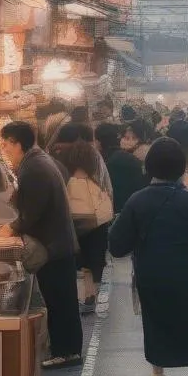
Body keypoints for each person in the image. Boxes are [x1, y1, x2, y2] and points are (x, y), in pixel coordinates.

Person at [108, 138, 188, 376]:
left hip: (150, 273)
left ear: (149, 167)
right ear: (181, 168)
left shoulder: (137, 201)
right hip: (186, 274)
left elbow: (117, 244)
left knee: (155, 321)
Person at [0, 122, 83, 368]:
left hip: (53, 247)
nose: (4, 149)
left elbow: (31, 212)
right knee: (62, 301)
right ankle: (68, 350)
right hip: (57, 244)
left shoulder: (34, 167)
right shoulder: (36, 161)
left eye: (6, 144)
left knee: (60, 302)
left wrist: (10, 228)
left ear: (17, 143)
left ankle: (66, 352)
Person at [54, 135, 114, 316]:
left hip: (75, 223)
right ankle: (91, 295)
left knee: (79, 262)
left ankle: (83, 296)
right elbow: (108, 204)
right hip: (97, 222)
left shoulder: (67, 183)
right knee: (93, 261)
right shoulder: (96, 184)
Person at [100, 123, 146, 214]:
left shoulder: (140, 160)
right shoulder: (119, 156)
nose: (128, 141)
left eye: (133, 138)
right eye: (126, 138)